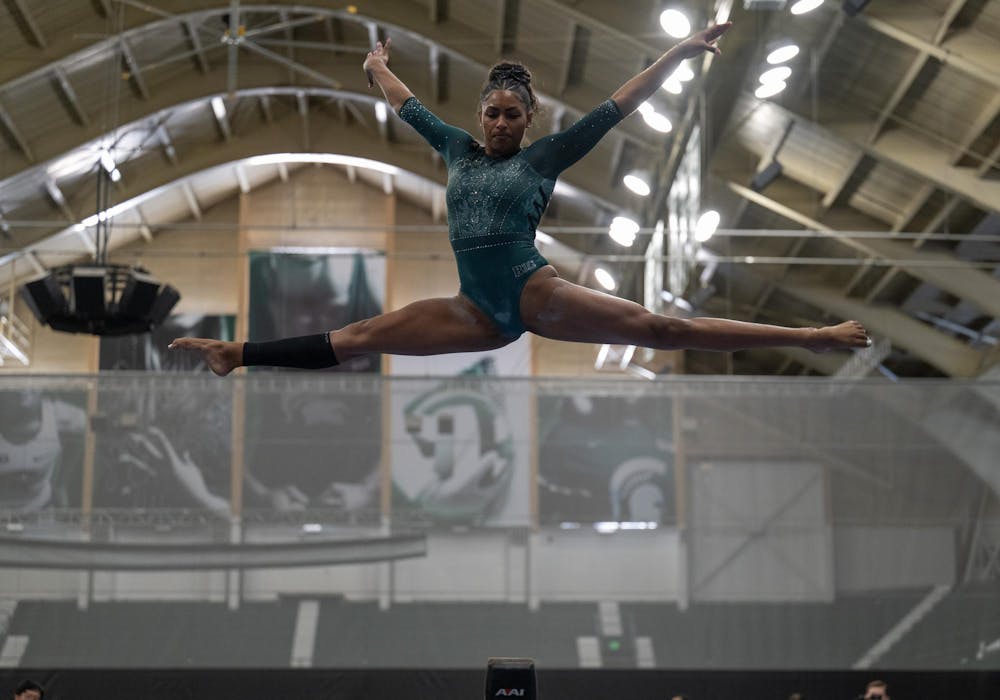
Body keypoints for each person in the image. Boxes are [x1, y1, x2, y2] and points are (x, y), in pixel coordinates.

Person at [170, 23, 870, 375]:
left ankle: (812, 336)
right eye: (494, 113)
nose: (502, 122)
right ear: (482, 116)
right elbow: (403, 103)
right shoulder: (454, 148)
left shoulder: (546, 155)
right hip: (475, 310)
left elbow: (618, 105)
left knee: (659, 330)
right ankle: (240, 355)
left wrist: (680, 54)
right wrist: (376, 64)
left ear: (529, 118)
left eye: (513, 113)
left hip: (532, 292)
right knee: (360, 338)